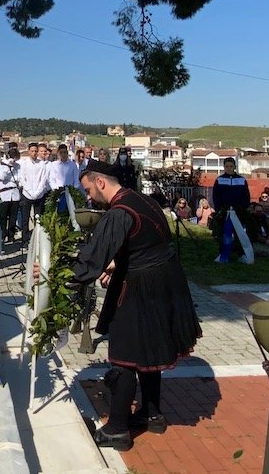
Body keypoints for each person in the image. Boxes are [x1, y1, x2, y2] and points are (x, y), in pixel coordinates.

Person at [70, 161, 202, 451]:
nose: (89, 197)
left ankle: (117, 428)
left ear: (100, 182)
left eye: (89, 190)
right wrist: (116, 264)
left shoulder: (119, 213)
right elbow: (147, 244)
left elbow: (90, 262)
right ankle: (151, 414)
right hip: (165, 282)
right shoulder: (142, 199)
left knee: (125, 355)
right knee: (149, 349)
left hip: (142, 287)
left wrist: (63, 274)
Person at [18, 142, 49, 242]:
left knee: (38, 218)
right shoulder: (24, 164)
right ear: (28, 151)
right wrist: (31, 192)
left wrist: (37, 192)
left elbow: (43, 180)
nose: (34, 153)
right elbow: (22, 179)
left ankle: (37, 238)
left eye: (36, 151)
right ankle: (25, 239)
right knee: (25, 218)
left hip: (39, 194)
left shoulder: (42, 164)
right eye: (32, 151)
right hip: (27, 194)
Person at [0, 147, 22, 243]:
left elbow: (18, 177)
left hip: (15, 194)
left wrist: (13, 167)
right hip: (5, 193)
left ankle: (11, 235)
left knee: (13, 217)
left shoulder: (18, 166)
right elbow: (2, 177)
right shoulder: (2, 165)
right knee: (3, 217)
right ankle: (3, 235)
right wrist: (8, 167)